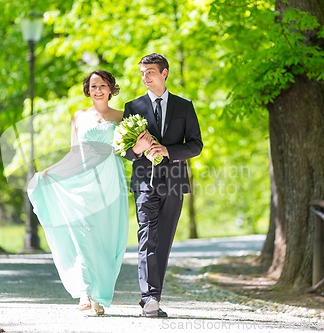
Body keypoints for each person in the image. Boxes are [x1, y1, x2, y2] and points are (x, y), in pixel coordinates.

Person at [27, 70, 128, 316]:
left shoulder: (122, 116)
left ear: (110, 88)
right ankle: (86, 292)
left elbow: (130, 148)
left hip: (110, 181)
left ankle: (101, 294)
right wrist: (51, 171)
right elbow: (74, 153)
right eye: (93, 86)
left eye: (102, 85)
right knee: (82, 233)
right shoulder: (78, 117)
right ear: (88, 89)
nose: (98, 90)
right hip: (82, 182)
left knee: (105, 237)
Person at [122, 53, 203, 317]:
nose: (145, 77)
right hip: (145, 182)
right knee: (147, 236)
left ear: (164, 73)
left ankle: (155, 294)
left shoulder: (184, 107)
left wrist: (168, 151)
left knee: (164, 239)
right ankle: (149, 298)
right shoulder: (133, 107)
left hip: (175, 182)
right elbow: (126, 152)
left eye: (150, 72)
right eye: (143, 73)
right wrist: (137, 148)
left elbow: (195, 145)